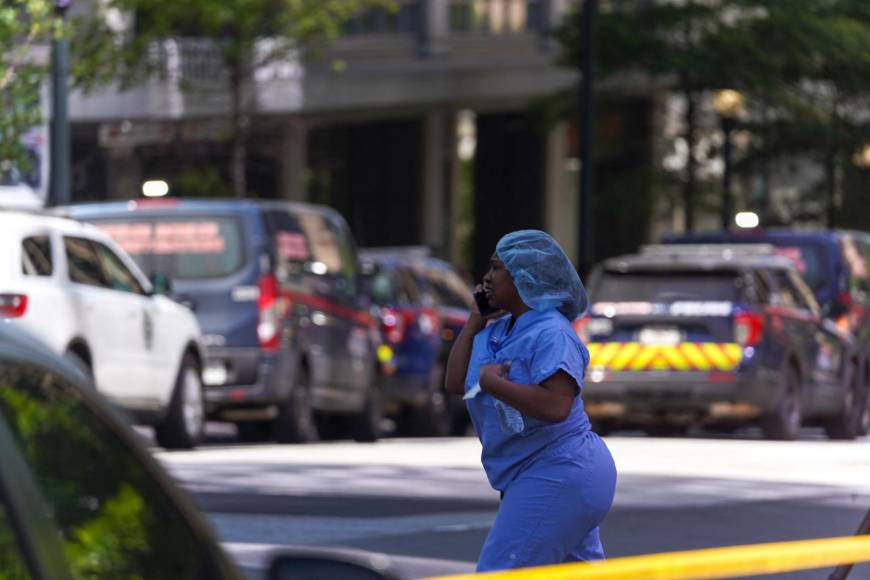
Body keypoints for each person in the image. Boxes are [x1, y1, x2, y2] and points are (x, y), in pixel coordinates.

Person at [445, 230, 616, 572]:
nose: (486, 278)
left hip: (558, 470)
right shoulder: (496, 329)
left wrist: (494, 383)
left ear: (525, 277)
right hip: (537, 474)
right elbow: (454, 383)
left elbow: (556, 406)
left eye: (496, 269)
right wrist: (474, 322)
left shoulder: (552, 332)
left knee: (501, 573)